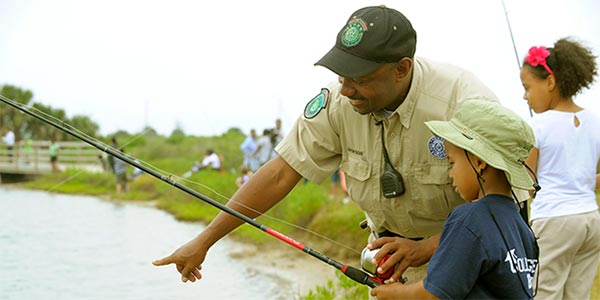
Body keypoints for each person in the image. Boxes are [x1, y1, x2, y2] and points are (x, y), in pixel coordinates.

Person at [153, 5, 501, 286]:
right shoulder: (338, 104)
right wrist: (204, 241)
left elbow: (504, 208)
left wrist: (427, 248)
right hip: (390, 270)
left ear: (401, 69)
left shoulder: (464, 102)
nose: (346, 89)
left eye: (360, 79)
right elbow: (278, 175)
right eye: (341, 76)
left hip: (466, 267)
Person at [371, 100, 539, 299]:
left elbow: (434, 295)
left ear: (479, 162)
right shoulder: (521, 226)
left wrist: (396, 293)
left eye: (452, 162)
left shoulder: (468, 219)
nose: (450, 173)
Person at [520, 37, 600, 300]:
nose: (525, 96)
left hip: (554, 221)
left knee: (544, 293)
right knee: (578, 295)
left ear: (551, 82)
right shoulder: (593, 121)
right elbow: (589, 176)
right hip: (590, 219)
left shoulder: (539, 126)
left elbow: (527, 180)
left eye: (528, 87)